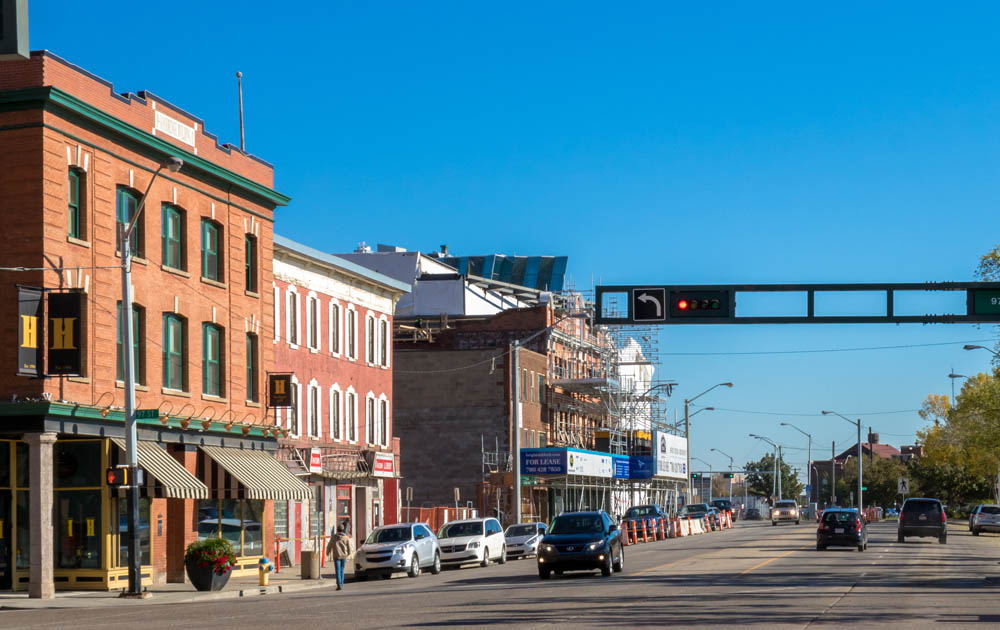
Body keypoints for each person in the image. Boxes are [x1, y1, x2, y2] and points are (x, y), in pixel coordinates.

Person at [326, 523, 355, 590]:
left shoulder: (334, 537)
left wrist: (328, 552)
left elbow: (329, 545)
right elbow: (349, 547)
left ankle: (339, 584)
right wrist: (349, 553)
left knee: (338, 570)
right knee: (342, 570)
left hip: (336, 556)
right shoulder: (346, 537)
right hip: (344, 556)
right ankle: (341, 583)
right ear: (343, 530)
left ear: (337, 529)